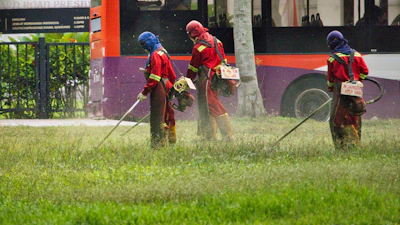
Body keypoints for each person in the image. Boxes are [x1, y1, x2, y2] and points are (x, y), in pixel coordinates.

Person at [185, 20, 233, 141]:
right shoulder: (217, 41)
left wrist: (187, 81)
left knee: (212, 105)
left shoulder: (198, 48)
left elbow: (193, 68)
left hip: (206, 80)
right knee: (207, 106)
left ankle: (228, 136)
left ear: (192, 34)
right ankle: (209, 136)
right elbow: (224, 61)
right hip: (217, 79)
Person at [326, 30, 369, 150]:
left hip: (339, 94)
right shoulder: (357, 55)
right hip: (356, 94)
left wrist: (331, 88)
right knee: (355, 118)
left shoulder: (332, 59)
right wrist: (357, 82)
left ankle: (342, 147)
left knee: (336, 121)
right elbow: (365, 72)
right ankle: (356, 143)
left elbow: (330, 79)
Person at [137, 31, 177, 148]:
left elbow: (155, 76)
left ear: (149, 41)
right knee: (167, 114)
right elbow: (172, 74)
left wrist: (144, 92)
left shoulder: (155, 54)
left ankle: (158, 144)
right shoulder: (163, 51)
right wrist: (171, 88)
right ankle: (171, 140)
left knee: (158, 116)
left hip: (159, 87)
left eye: (143, 44)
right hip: (167, 85)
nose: (143, 47)